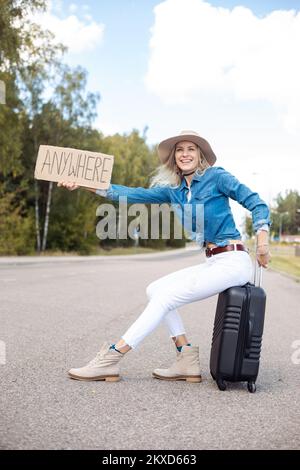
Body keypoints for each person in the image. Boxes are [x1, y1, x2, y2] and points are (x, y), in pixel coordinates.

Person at [58, 130, 271, 383]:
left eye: (191, 149)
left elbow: (257, 203)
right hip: (213, 260)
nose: (185, 154)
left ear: (200, 155)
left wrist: (262, 242)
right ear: (174, 157)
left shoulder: (217, 177)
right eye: (180, 150)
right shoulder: (174, 191)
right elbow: (125, 193)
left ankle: (111, 358)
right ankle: (186, 358)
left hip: (233, 261)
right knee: (155, 289)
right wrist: (81, 183)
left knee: (167, 297)